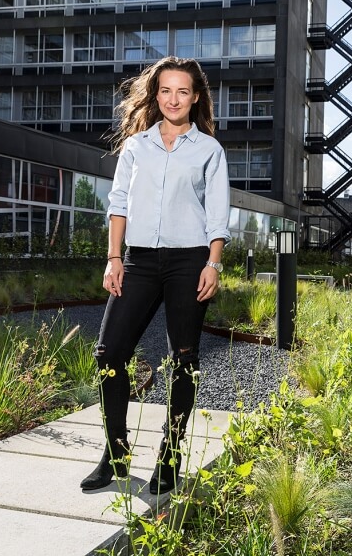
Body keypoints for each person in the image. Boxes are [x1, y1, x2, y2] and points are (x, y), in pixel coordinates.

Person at [80, 56, 231, 495]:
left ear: (196, 97)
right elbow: (119, 202)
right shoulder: (136, 147)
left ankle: (170, 454)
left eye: (183, 91)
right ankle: (115, 452)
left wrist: (213, 263)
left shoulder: (209, 150)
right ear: (155, 94)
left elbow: (218, 213)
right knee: (109, 353)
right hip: (139, 261)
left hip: (190, 262)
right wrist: (113, 258)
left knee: (184, 359)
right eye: (166, 90)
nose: (173, 99)